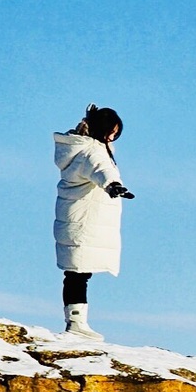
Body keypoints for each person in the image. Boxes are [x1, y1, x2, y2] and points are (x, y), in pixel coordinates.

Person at [52, 105, 135, 340]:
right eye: (112, 131)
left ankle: (76, 321)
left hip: (76, 217)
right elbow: (101, 170)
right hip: (84, 219)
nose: (113, 137)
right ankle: (77, 323)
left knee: (77, 272)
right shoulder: (93, 152)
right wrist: (113, 186)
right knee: (78, 272)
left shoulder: (81, 149)